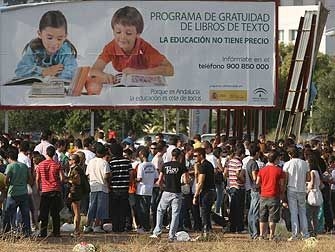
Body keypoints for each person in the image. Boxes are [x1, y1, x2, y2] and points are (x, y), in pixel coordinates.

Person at [89, 6, 174, 84]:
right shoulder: (111, 47)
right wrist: (103, 75)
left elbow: (170, 69)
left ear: (138, 34)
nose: (122, 37)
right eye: (118, 32)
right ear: (113, 31)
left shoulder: (143, 46)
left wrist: (136, 72)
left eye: (128, 33)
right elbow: (93, 70)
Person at [15, 10, 77, 80]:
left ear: (65, 36)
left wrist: (55, 79)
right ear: (40, 34)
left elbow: (72, 71)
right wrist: (44, 71)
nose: (54, 43)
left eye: (59, 39)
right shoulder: (34, 49)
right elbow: (20, 70)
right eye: (49, 38)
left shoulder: (66, 51)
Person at [150, 148, 188, 242]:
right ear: (179, 156)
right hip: (177, 192)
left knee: (160, 211)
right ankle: (171, 235)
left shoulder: (165, 165)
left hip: (166, 192)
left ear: (172, 155)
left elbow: (159, 181)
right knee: (175, 214)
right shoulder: (181, 166)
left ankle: (157, 232)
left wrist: (163, 188)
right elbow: (186, 180)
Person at [35, 145, 66, 237]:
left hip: (45, 191)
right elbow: (62, 178)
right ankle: (56, 232)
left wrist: (38, 189)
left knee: (44, 212)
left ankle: (43, 232)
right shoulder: (57, 165)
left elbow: (37, 179)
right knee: (55, 213)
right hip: (55, 190)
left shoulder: (40, 165)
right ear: (54, 154)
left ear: (46, 153)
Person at [3, 148, 33, 237]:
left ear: (9, 157)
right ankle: (27, 232)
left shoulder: (10, 166)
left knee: (8, 213)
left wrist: (8, 185)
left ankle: (6, 232)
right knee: (25, 214)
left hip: (13, 193)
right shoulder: (24, 166)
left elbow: (6, 179)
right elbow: (30, 179)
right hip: (23, 192)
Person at [256, 150, 285, 240]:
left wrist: (263, 186)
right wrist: (282, 194)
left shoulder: (262, 170)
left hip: (263, 195)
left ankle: (262, 234)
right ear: (276, 159)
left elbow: (257, 183)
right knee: (273, 217)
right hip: (274, 195)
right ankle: (271, 235)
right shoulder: (279, 171)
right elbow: (282, 184)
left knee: (262, 216)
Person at [283, 146, 310, 241]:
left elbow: (285, 179)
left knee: (293, 212)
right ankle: (305, 234)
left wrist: (283, 190)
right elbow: (308, 178)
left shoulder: (287, 164)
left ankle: (295, 234)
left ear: (290, 154)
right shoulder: (305, 164)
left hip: (291, 189)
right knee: (303, 212)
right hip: (302, 189)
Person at [192, 147, 216, 238]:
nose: (194, 158)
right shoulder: (208, 164)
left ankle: (206, 232)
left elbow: (200, 182)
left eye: (195, 156)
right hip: (211, 191)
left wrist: (196, 195)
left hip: (206, 192)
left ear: (201, 156)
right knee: (208, 212)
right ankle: (209, 230)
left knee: (204, 213)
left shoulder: (203, 166)